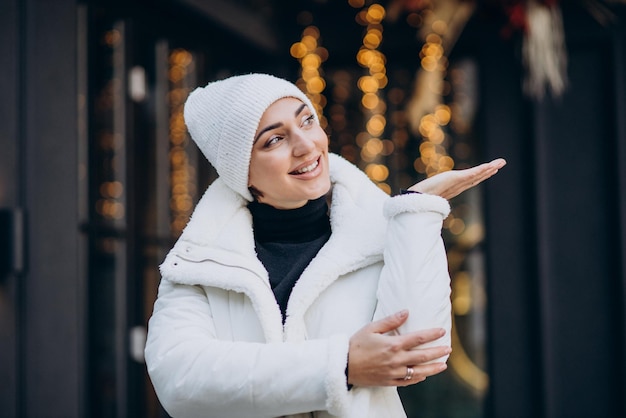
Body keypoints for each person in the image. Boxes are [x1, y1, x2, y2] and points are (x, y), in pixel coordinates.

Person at [144, 73, 506, 418]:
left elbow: (420, 351)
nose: (306, 145)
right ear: (242, 172)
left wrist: (417, 212)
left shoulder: (374, 233)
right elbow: (182, 382)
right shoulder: (201, 264)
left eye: (306, 121)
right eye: (274, 139)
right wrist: (342, 364)